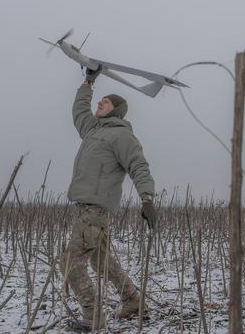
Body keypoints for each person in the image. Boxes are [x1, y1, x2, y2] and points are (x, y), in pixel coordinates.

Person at [60, 65, 158, 330]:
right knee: (101, 261)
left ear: (115, 110)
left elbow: (139, 165)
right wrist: (88, 82)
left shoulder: (122, 136)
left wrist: (147, 198)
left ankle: (93, 316)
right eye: (101, 100)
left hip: (95, 210)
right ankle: (133, 301)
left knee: (69, 262)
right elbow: (79, 110)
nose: (101, 102)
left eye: (106, 102)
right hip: (86, 209)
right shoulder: (93, 130)